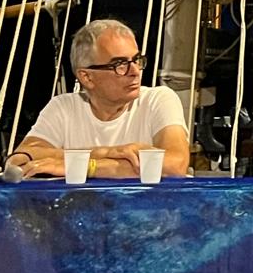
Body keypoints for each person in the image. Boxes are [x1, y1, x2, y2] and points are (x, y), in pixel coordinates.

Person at [11, 18, 191, 179]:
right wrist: (108, 152)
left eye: (136, 60)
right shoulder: (63, 107)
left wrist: (85, 166)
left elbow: (175, 165)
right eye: (120, 64)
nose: (135, 72)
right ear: (87, 77)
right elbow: (19, 160)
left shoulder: (158, 99)